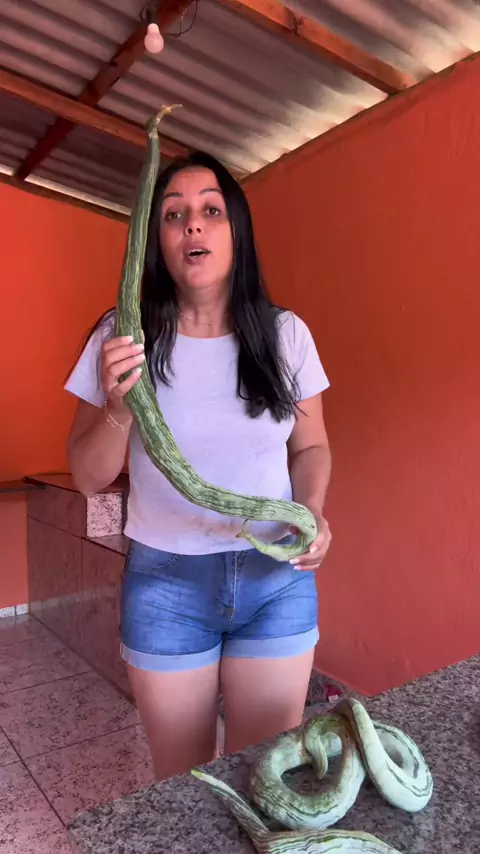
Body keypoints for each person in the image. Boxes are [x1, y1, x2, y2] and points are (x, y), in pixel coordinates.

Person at [65, 151, 332, 781]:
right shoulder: (121, 337)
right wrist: (119, 407)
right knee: (183, 784)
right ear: (157, 243)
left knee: (266, 776)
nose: (193, 224)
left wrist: (313, 513)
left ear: (236, 231)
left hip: (276, 575)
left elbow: (311, 447)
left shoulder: (286, 334)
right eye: (173, 214)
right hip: (167, 584)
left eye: (211, 210)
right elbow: (86, 475)